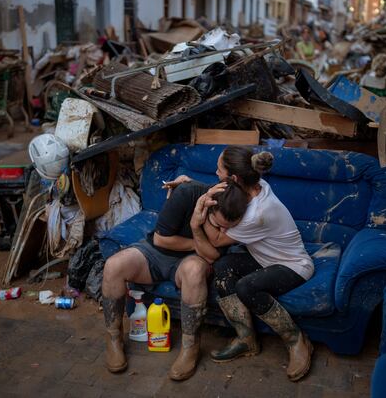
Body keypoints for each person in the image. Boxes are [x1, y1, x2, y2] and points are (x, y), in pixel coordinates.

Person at [164, 146, 314, 382]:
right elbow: (221, 193)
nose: (215, 172)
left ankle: (296, 340)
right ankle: (246, 340)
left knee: (246, 287)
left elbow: (215, 240)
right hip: (263, 259)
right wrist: (188, 184)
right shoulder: (254, 185)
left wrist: (199, 212)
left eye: (218, 169)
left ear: (233, 178)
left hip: (292, 265)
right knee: (223, 268)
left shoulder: (257, 213)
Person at [102, 179, 248, 381]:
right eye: (218, 225)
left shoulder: (237, 212)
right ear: (207, 205)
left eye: (228, 229)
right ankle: (113, 338)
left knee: (195, 270)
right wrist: (199, 243)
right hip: (156, 252)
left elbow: (212, 256)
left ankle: (190, 347)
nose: (222, 233)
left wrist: (197, 230)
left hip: (190, 261)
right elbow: (161, 240)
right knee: (113, 266)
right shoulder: (187, 193)